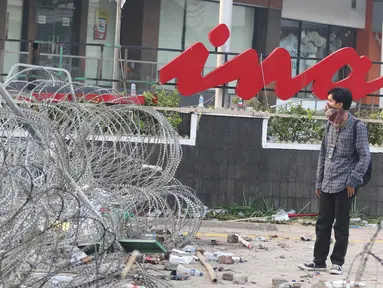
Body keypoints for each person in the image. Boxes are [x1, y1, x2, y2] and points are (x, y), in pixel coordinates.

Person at [298, 88, 371, 275]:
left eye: (330, 101)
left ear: (340, 104)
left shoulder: (357, 126)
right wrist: (319, 181)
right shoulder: (330, 124)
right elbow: (323, 154)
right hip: (327, 182)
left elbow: (364, 157)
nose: (327, 104)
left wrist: (353, 181)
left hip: (345, 184)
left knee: (341, 225)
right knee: (322, 223)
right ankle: (318, 261)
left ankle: (337, 263)